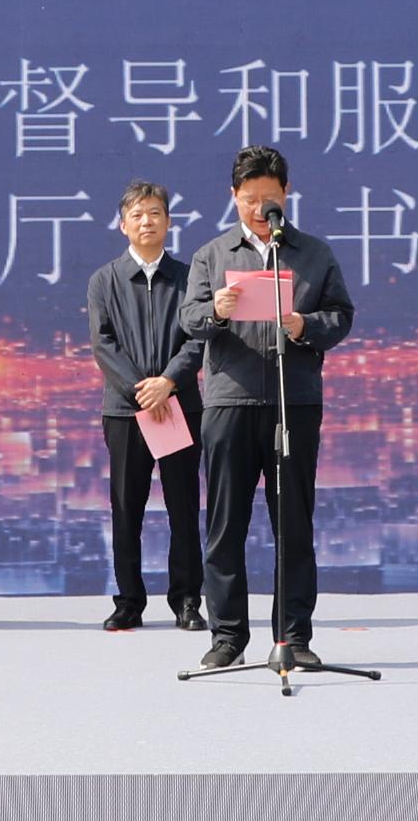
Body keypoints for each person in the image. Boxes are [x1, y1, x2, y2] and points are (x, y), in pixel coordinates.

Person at [179, 146, 356, 671]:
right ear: (233, 196)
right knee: (225, 524)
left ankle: (293, 636)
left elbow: (341, 315)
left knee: (294, 525)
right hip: (229, 401)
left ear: (287, 195)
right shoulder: (212, 255)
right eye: (251, 198)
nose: (261, 209)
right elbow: (189, 318)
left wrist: (306, 325)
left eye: (270, 199)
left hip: (292, 401)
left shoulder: (313, 253)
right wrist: (216, 310)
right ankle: (228, 636)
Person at [84, 180, 201, 632]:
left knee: (183, 506)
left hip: (178, 405)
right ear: (123, 225)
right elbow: (103, 344)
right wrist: (142, 391)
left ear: (168, 222)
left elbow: (199, 338)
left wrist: (168, 383)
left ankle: (187, 601)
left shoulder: (189, 277)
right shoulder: (104, 280)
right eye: (137, 214)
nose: (146, 221)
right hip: (126, 411)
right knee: (126, 506)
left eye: (154, 213)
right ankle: (129, 602)